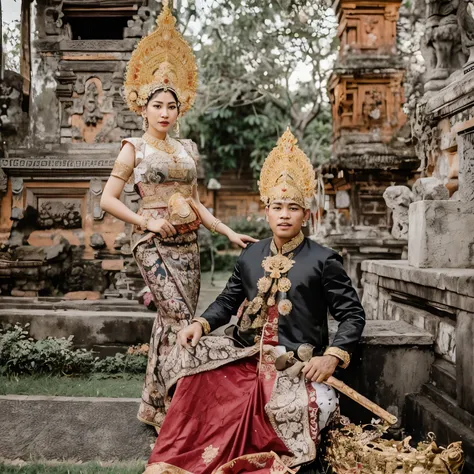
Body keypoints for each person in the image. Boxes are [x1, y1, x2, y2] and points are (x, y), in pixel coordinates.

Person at [142, 128, 366, 474]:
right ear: (267, 212)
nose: (285, 215)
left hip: (293, 364)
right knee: (188, 364)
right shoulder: (251, 255)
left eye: (293, 208)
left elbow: (352, 315)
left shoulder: (325, 260)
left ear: (305, 214)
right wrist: (200, 324)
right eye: (278, 207)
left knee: (295, 409)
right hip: (245, 352)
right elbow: (229, 299)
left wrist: (332, 356)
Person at [100, 1, 256, 429]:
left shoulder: (188, 150)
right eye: (158, 105)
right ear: (143, 108)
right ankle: (182, 407)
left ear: (178, 108)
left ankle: (155, 406)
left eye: (172, 105)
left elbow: (196, 201)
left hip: (190, 244)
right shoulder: (134, 148)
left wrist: (225, 231)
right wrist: (146, 222)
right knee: (182, 319)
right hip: (152, 244)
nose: (165, 112)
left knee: (171, 321)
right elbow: (108, 201)